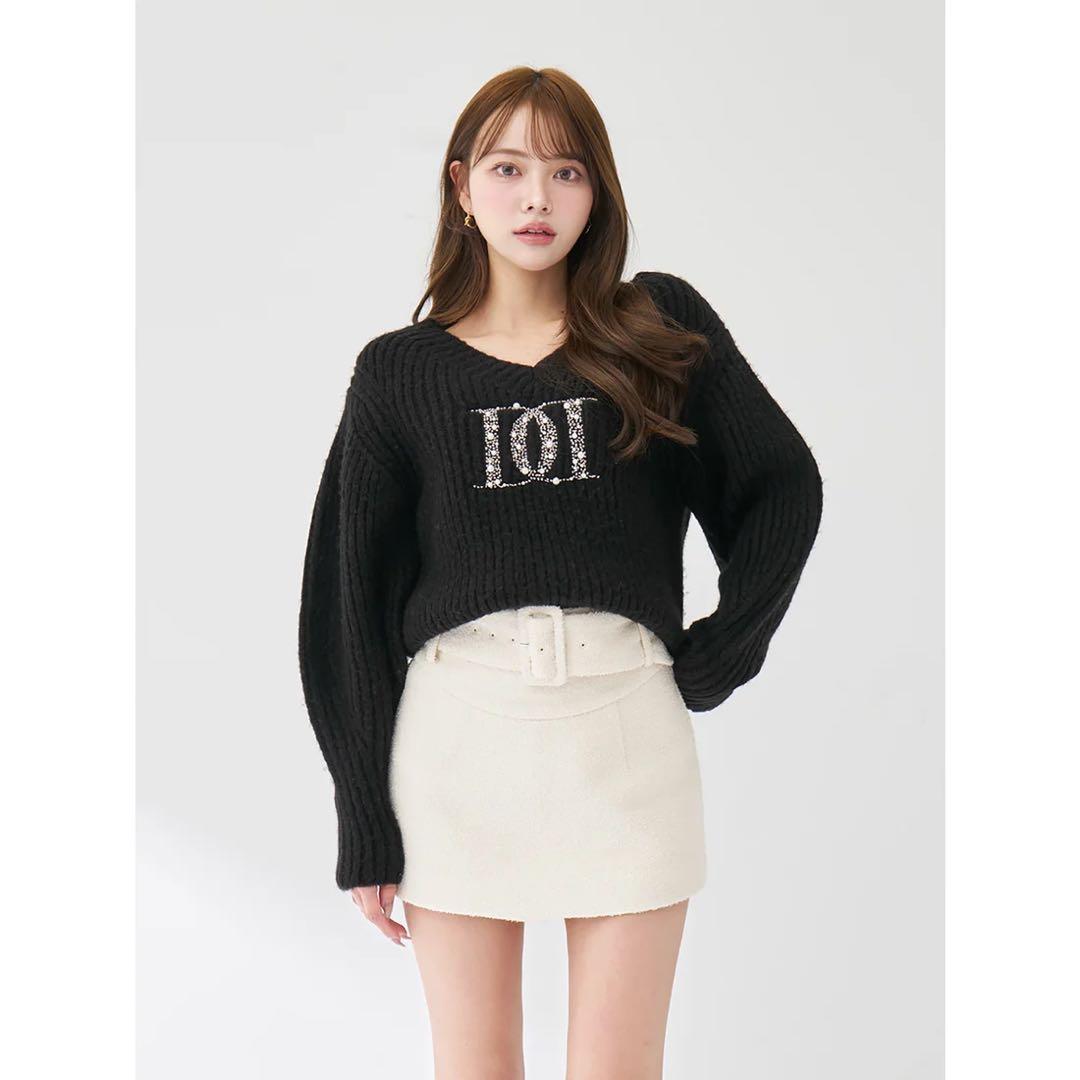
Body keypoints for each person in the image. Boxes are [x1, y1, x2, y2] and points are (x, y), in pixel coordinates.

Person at [298, 65, 824, 1080]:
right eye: (508, 169)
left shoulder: (659, 327)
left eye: (566, 170)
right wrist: (364, 815)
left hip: (627, 734)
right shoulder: (400, 374)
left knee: (620, 1067)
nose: (537, 197)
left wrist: (723, 650)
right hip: (458, 741)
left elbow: (781, 486)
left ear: (598, 191)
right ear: (462, 186)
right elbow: (344, 605)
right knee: (476, 1065)